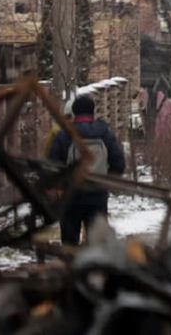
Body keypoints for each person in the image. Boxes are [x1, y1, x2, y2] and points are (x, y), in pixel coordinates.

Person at [48, 95, 126, 246]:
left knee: (70, 244)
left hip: (71, 197)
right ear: (93, 111)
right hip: (97, 196)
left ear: (74, 112)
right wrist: (106, 181)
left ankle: (70, 268)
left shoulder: (64, 135)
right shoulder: (105, 134)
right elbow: (119, 164)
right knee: (97, 245)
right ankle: (94, 268)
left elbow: (52, 166)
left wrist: (59, 187)